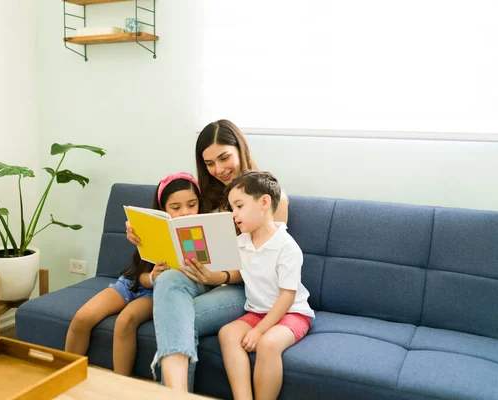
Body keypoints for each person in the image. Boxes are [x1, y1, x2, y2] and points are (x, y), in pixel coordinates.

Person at [126, 120, 289, 391]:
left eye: (224, 158)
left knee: (175, 318)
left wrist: (218, 277)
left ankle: (174, 395)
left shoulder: (270, 198)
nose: (218, 169)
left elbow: (265, 266)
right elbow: (182, 232)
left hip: (244, 288)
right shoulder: (209, 194)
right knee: (167, 281)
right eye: (209, 163)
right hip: (204, 276)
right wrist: (141, 235)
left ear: (240, 149)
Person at [65, 172, 201, 376]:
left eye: (192, 205)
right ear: (162, 208)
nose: (185, 213)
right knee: (82, 317)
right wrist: (153, 275)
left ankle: (122, 385)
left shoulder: (199, 236)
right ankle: (65, 374)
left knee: (125, 321)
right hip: (133, 282)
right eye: (175, 207)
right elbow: (139, 275)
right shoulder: (155, 227)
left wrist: (156, 279)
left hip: (157, 294)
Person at [219, 170, 314, 400]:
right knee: (228, 333)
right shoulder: (241, 243)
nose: (234, 214)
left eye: (239, 206)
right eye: (232, 208)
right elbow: (231, 272)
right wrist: (207, 275)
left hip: (292, 313)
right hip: (258, 312)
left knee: (268, 345)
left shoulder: (287, 247)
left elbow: (287, 297)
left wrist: (260, 331)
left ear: (264, 202)